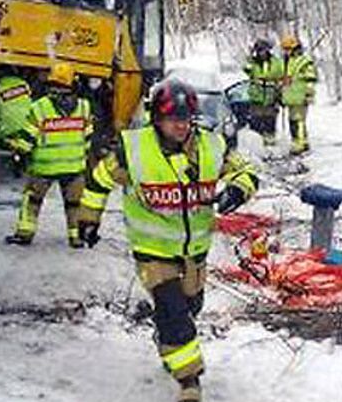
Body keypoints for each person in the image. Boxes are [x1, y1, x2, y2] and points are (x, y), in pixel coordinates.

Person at [77, 80, 258, 402]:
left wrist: (239, 188)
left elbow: (246, 170)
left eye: (187, 117)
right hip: (152, 252)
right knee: (174, 313)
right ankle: (189, 382)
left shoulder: (212, 145)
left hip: (195, 252)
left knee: (190, 307)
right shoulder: (131, 151)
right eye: (173, 118)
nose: (181, 125)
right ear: (155, 119)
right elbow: (98, 180)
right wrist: (89, 219)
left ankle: (167, 337)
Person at [6, 62, 94, 248]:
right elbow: (88, 138)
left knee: (32, 200)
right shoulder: (84, 107)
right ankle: (75, 238)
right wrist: (82, 157)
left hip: (43, 167)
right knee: (74, 204)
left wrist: (17, 152)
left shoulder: (39, 108)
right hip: (74, 167)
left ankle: (25, 234)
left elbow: (27, 140)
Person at [242, 39, 284, 147]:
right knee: (256, 124)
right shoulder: (253, 63)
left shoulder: (276, 62)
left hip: (271, 98)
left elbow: (281, 78)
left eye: (263, 50)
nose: (262, 53)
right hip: (256, 99)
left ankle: (270, 146)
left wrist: (281, 95)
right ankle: (257, 147)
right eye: (259, 51)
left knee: (270, 124)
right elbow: (246, 68)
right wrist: (250, 57)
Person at [280, 34, 317, 155]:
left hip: (300, 96)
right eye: (284, 49)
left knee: (298, 121)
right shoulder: (287, 61)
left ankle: (300, 144)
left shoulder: (304, 61)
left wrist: (308, 95)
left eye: (288, 49)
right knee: (293, 121)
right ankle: (301, 142)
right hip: (291, 97)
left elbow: (310, 79)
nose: (286, 52)